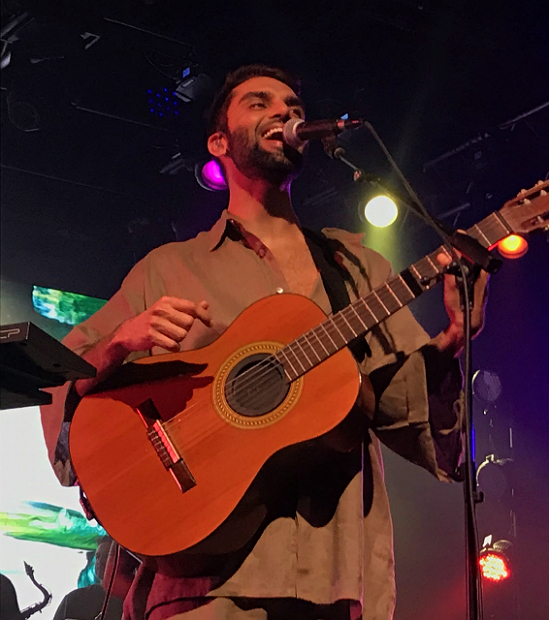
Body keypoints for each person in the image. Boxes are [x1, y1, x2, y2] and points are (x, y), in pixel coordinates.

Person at [39, 64, 488, 620]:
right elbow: (54, 378)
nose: (285, 113)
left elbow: (405, 413)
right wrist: (118, 343)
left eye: (294, 106)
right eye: (260, 103)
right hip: (203, 587)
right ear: (218, 142)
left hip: (335, 576)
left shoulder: (353, 268)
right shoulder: (170, 267)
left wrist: (451, 340)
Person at [52, 537, 138, 620]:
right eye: (98, 557)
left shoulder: (134, 600)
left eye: (107, 556)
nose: (101, 561)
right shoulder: (76, 598)